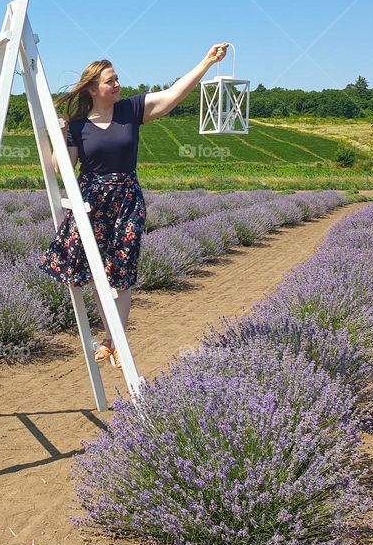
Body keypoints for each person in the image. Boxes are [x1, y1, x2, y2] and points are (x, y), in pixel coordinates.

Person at [37, 43, 230, 368]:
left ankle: (115, 339)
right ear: (94, 89)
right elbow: (63, 168)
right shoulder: (80, 126)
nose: (117, 85)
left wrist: (207, 63)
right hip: (91, 203)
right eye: (110, 81)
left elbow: (172, 95)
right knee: (97, 273)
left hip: (127, 199)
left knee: (121, 271)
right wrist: (59, 132)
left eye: (117, 80)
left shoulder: (130, 110)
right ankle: (111, 336)